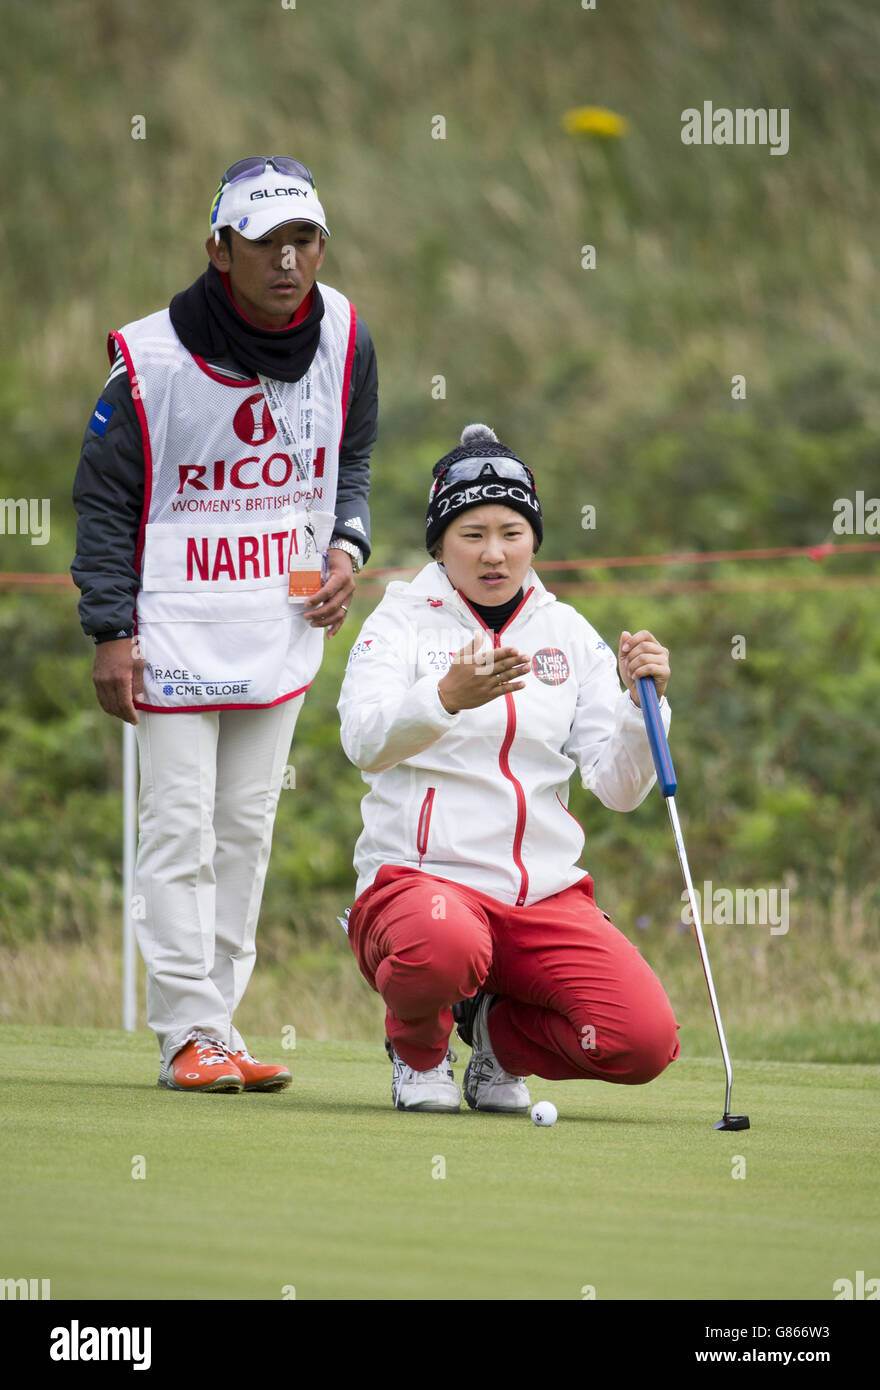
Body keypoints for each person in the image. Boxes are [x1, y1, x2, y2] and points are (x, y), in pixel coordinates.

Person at [72, 156, 377, 1093]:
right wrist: (109, 629)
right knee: (179, 831)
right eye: (266, 243)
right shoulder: (153, 356)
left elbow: (350, 459)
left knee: (245, 831)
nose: (289, 262)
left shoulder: (347, 338)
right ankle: (183, 1033)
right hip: (168, 632)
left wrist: (348, 552)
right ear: (220, 249)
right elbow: (104, 498)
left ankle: (220, 1023)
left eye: (305, 240)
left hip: (276, 626)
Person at [337, 423, 679, 1113]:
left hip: (542, 897)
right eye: (472, 533)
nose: (494, 553)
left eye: (512, 531)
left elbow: (615, 789)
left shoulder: (568, 633)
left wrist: (646, 709)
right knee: (444, 939)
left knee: (641, 1041)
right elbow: (364, 740)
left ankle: (492, 1037)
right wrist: (444, 699)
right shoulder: (401, 618)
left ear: (533, 539)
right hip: (423, 886)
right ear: (440, 542)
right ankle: (419, 1054)